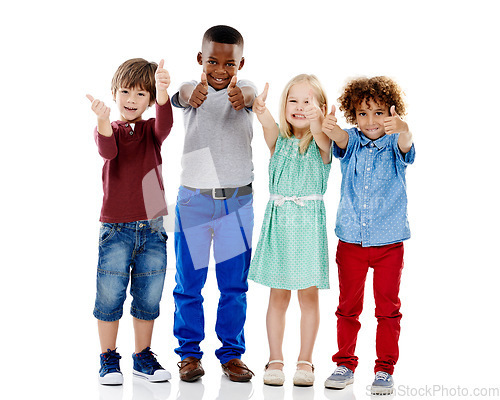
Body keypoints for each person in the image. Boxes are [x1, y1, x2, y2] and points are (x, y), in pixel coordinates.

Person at [171, 25, 256, 383]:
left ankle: (231, 354)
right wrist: (191, 89)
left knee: (233, 286)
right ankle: (189, 354)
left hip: (236, 203)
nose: (220, 70)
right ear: (199, 60)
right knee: (189, 282)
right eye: (212, 62)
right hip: (194, 201)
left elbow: (251, 94)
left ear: (241, 64)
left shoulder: (246, 92)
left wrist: (246, 95)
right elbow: (181, 93)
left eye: (230, 64)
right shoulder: (192, 94)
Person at [321, 76, 415, 395]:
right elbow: (337, 136)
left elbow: (406, 142)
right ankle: (345, 363)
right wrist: (326, 122)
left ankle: (384, 370)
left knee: (387, 308)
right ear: (353, 115)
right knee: (348, 306)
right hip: (351, 242)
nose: (371, 120)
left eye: (378, 113)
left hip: (389, 245)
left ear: (390, 113)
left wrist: (401, 128)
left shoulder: (394, 142)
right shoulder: (351, 141)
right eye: (363, 113)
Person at [87, 58, 173, 385]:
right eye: (125, 92)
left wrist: (163, 93)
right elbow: (108, 152)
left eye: (141, 94)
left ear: (149, 100)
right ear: (114, 93)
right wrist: (102, 120)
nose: (132, 100)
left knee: (149, 295)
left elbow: (165, 124)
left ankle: (143, 356)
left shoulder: (152, 130)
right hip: (116, 228)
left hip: (152, 225)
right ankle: (108, 357)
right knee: (110, 294)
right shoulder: (111, 129)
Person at [248, 74, 332, 387]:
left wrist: (318, 120)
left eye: (308, 102)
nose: (299, 107)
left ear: (320, 108)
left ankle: (306, 360)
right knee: (278, 295)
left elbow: (321, 135)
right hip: (279, 225)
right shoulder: (279, 141)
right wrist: (260, 110)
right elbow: (269, 124)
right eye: (293, 101)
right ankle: (275, 358)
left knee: (308, 297)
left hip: (308, 226)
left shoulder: (322, 143)